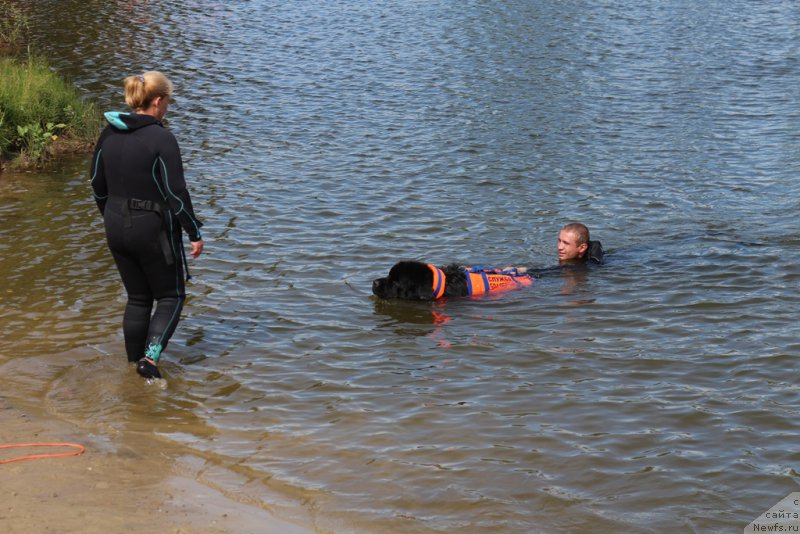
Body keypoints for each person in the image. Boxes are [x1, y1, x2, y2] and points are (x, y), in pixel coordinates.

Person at [90, 71, 204, 379]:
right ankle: (150, 361)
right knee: (171, 296)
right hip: (152, 227)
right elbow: (176, 193)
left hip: (115, 224)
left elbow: (97, 183)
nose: (168, 106)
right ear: (157, 100)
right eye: (168, 100)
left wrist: (111, 215)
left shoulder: (109, 133)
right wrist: (194, 231)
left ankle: (131, 366)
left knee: (138, 297)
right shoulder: (162, 138)